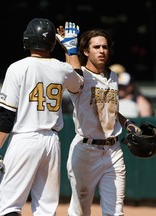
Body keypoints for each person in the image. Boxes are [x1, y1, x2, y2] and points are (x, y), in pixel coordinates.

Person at [0, 18, 84, 216]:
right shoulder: (62, 68)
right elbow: (79, 83)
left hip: (25, 138)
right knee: (46, 209)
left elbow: (7, 115)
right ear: (52, 42)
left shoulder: (18, 67)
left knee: (8, 206)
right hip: (51, 143)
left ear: (27, 39)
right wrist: (71, 50)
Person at [56, 22, 142, 216]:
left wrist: (127, 123)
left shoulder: (112, 76)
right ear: (85, 51)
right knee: (80, 211)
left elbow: (110, 109)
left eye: (104, 46)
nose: (102, 50)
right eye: (96, 47)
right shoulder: (79, 76)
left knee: (115, 211)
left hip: (113, 151)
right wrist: (69, 49)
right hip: (86, 150)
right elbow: (72, 72)